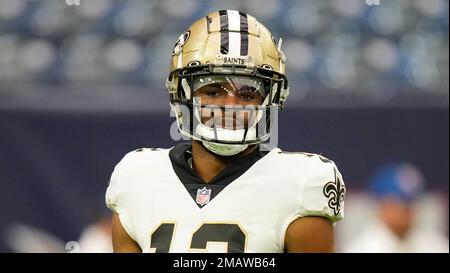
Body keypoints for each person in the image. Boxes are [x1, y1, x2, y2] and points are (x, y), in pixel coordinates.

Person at [105, 10, 346, 253]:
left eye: (247, 94)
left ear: (271, 100)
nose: (230, 106)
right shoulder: (137, 176)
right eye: (213, 91)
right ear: (182, 94)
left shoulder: (301, 182)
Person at [343, 162, 448, 253]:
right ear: (381, 204)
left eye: (410, 203)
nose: (405, 210)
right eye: (397, 203)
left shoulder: (436, 245)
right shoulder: (360, 249)